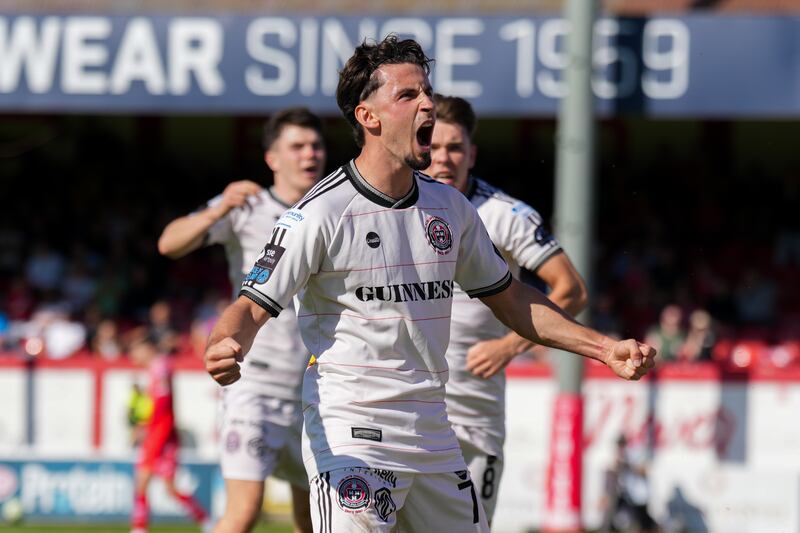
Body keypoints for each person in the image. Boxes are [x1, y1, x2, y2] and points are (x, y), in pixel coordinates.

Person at [203, 36, 655, 533]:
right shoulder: (319, 214)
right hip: (354, 433)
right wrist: (225, 343)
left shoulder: (451, 208)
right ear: (368, 117)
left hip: (434, 434)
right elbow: (250, 305)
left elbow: (511, 298)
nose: (427, 105)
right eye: (408, 96)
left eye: (427, 92)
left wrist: (604, 347)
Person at [158, 108, 326, 533]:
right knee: (242, 513)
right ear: (273, 158)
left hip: (316, 391)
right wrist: (217, 211)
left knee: (317, 521)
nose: (311, 154)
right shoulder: (247, 206)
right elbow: (169, 244)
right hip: (255, 384)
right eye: (298, 146)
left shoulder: (334, 207)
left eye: (316, 145)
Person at [424, 93, 589, 522]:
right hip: (409, 404)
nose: (444, 158)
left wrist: (509, 347)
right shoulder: (396, 206)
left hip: (475, 412)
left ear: (471, 154)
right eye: (434, 146)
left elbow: (571, 289)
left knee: (471, 527)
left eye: (455, 147)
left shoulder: (505, 215)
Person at [129, 335, 211, 533]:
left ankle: (140, 528)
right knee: (162, 485)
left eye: (136, 350)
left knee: (146, 481)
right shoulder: (158, 368)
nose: (134, 356)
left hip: (160, 434)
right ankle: (205, 520)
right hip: (161, 432)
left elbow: (162, 401)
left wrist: (145, 426)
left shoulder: (160, 367)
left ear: (147, 348)